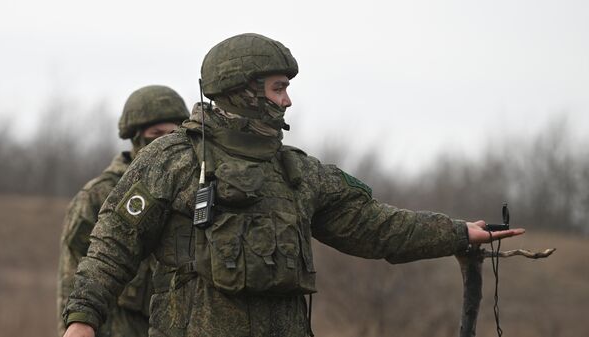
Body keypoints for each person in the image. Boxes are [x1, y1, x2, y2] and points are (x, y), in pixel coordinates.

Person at [62, 33, 524, 337]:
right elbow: (113, 246)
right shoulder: (173, 159)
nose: (287, 100)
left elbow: (374, 227)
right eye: (278, 88)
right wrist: (82, 321)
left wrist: (456, 232)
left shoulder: (297, 172)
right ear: (242, 89)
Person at [57, 85, 190, 337]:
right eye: (156, 133)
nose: (165, 141)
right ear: (136, 137)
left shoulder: (187, 189)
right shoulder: (98, 195)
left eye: (174, 133)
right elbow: (71, 278)